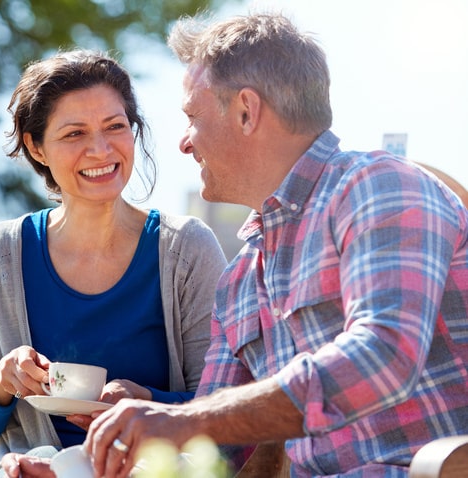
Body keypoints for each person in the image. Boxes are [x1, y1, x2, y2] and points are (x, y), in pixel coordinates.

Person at [83, 12, 468, 478]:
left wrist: (181, 418)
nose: (184, 143)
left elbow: (383, 355)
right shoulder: (240, 279)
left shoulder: (378, 186)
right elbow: (212, 454)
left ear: (247, 111)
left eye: (191, 117)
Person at [0, 49, 227, 477]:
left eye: (115, 127)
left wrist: (145, 403)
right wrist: (0, 382)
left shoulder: (186, 250)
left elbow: (223, 410)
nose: (100, 149)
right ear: (37, 148)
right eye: (74, 134)